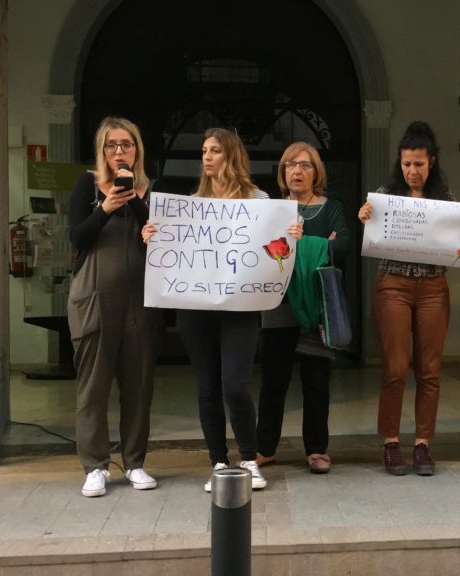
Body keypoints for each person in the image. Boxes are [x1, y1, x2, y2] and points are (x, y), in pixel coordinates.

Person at [142, 128, 302, 492]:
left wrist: (292, 233)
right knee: (207, 387)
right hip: (195, 308)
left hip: (241, 308)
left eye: (215, 150)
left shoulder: (259, 200)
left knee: (236, 385)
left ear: (231, 156)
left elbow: (273, 245)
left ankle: (248, 458)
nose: (207, 157)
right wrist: (154, 235)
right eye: (204, 151)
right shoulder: (193, 203)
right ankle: (217, 461)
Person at [357, 121, 460, 476]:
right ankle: (391, 442)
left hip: (432, 288)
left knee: (429, 370)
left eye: (419, 164)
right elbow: (372, 232)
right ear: (400, 162)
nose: (412, 171)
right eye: (407, 164)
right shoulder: (385, 195)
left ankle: (423, 444)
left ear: (432, 162)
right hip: (392, 285)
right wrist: (365, 216)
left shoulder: (446, 201)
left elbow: (457, 248)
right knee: (395, 368)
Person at [67, 116, 161, 497]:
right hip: (94, 298)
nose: (119, 151)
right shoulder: (86, 185)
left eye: (126, 144)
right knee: (94, 385)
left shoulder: (153, 191)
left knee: (138, 383)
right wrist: (104, 207)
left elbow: (165, 240)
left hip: (142, 300)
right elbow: (77, 237)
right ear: (102, 150)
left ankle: (135, 462)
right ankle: (95, 466)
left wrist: (137, 203)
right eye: (112, 145)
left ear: (137, 149)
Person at [256, 142, 350, 474]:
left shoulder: (332, 207)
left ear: (317, 172)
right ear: (282, 172)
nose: (297, 170)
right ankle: (264, 447)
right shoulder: (271, 209)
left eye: (305, 165)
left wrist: (303, 239)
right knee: (273, 381)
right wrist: (321, 241)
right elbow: (263, 251)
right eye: (290, 164)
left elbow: (344, 246)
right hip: (279, 305)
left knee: (317, 382)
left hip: (318, 308)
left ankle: (317, 449)